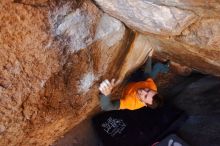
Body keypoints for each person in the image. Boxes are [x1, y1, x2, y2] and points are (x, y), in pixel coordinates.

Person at [99, 49, 169, 111]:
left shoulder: (131, 103)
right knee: (158, 66)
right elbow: (147, 75)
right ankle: (165, 67)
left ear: (144, 103)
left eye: (145, 96)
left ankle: (165, 68)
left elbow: (107, 107)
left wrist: (106, 95)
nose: (143, 91)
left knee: (137, 73)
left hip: (129, 84)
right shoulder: (151, 86)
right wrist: (150, 57)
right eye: (148, 90)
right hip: (137, 80)